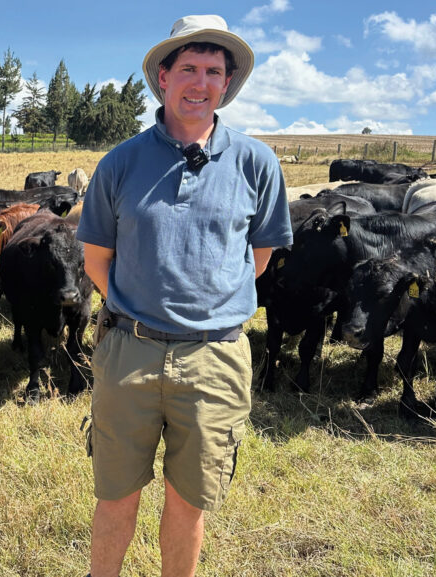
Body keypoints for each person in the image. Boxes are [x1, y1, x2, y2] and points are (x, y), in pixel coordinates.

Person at [76, 14, 293, 577]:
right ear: (164, 77)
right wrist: (143, 307)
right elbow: (96, 258)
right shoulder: (120, 163)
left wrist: (203, 307)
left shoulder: (256, 163)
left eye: (214, 71)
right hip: (130, 352)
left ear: (227, 84)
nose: (200, 82)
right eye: (189, 68)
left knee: (189, 502)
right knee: (115, 495)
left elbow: (258, 258)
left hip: (215, 358)